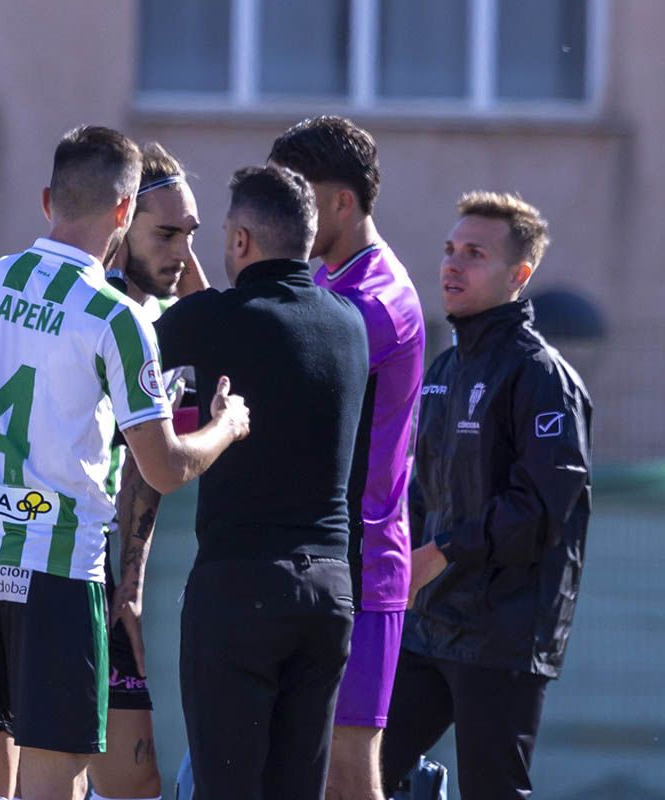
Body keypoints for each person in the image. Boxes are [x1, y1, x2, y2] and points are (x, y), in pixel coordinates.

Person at [0, 126, 249, 800]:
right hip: (55, 573)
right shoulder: (112, 316)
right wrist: (225, 428)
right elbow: (163, 468)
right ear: (125, 213)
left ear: (48, 198)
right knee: (56, 788)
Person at [138, 164, 369, 799]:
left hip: (242, 588)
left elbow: (136, 345)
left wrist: (166, 245)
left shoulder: (216, 320)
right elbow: (250, 323)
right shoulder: (349, 325)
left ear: (239, 241)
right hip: (328, 592)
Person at [380, 192, 593, 800]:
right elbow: (421, 493)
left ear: (518, 276)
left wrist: (440, 553)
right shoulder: (444, 371)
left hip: (504, 633)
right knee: (356, 771)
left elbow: (541, 511)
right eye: (450, 250)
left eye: (474, 253)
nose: (452, 264)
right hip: (429, 624)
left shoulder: (541, 376)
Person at [269, 115, 426, 800]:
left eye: (299, 195)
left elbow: (290, 364)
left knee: (347, 766)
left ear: (341, 202)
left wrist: (208, 305)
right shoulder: (329, 282)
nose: (289, 214)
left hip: (363, 563)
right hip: (315, 557)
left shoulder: (379, 298)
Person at [89, 141, 206, 800]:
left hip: (113, 562)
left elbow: (218, 326)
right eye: (164, 233)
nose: (181, 253)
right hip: (65, 554)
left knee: (125, 780)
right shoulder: (94, 308)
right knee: (101, 775)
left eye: (190, 235)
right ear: (120, 219)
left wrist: (130, 581)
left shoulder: (168, 320)